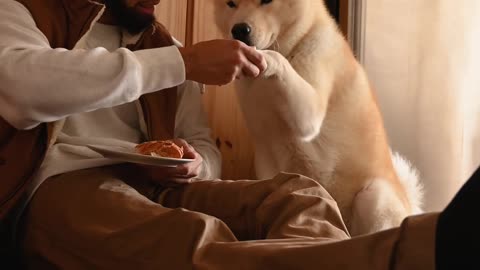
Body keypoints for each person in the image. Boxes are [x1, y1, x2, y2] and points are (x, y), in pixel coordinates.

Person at [0, 0, 478, 269]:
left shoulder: (161, 44)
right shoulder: (23, 11)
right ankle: (424, 251)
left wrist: (194, 163)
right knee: (197, 239)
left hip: (157, 183)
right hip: (58, 184)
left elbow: (205, 148)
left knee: (299, 197)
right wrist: (182, 62)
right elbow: (20, 89)